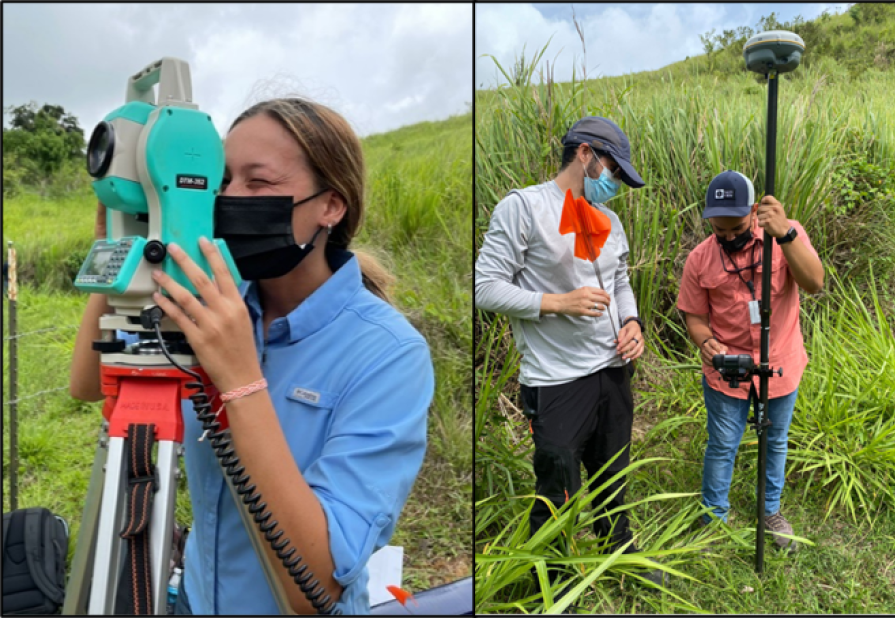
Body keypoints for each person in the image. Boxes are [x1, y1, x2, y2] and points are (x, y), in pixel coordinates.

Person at [69, 98, 432, 614]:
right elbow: (87, 383)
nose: (230, 199)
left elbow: (316, 590)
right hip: (195, 597)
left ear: (330, 205)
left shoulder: (389, 356)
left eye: (257, 184)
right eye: (222, 181)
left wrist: (240, 377)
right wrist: (122, 243)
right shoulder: (212, 297)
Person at [474, 116, 659, 584]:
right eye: (613, 171)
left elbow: (619, 281)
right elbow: (483, 287)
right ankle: (552, 581)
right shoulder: (524, 208)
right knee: (557, 488)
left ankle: (620, 558)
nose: (615, 184)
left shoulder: (610, 221)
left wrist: (632, 321)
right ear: (585, 155)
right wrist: (556, 302)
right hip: (556, 379)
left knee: (613, 473)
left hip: (614, 370)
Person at [676, 170, 824, 548]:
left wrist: (786, 234)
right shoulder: (700, 259)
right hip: (728, 372)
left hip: (780, 361)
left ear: (755, 211)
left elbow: (814, 284)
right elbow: (693, 315)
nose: (728, 238)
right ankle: (714, 516)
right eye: (719, 231)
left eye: (737, 229)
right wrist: (706, 341)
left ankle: (770, 511)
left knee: (774, 440)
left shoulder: (786, 236)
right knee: (723, 443)